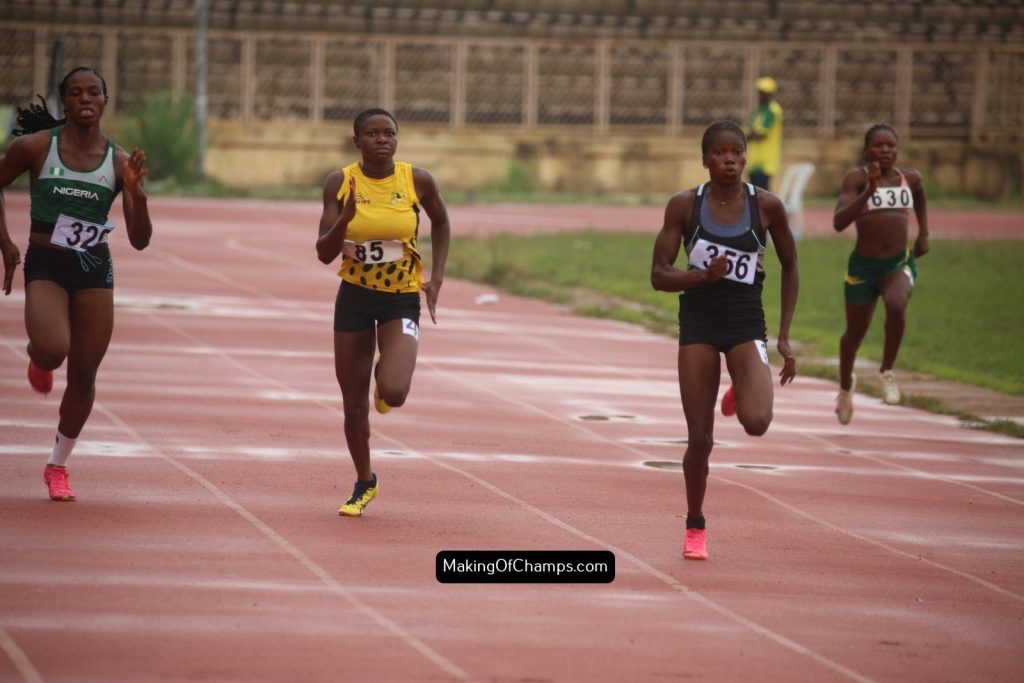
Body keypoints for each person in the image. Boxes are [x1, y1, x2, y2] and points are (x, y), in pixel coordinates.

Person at [0, 67, 152, 501]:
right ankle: (39, 358)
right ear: (62, 102)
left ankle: (58, 465)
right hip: (46, 262)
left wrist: (135, 194)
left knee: (84, 376)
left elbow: (141, 241)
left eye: (94, 92)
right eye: (75, 93)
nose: (85, 99)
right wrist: (6, 242)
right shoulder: (33, 148)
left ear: (106, 100)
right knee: (52, 349)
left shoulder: (120, 162)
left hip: (93, 267)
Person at [650, 121, 798, 560]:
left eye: (737, 152)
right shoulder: (684, 206)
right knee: (700, 439)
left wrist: (785, 338)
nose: (729, 160)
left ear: (746, 158)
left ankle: (742, 381)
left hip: (745, 323)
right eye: (719, 153)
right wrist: (701, 277)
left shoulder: (767, 207)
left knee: (757, 422)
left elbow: (791, 267)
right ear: (705, 160)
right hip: (697, 324)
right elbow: (659, 275)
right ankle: (695, 525)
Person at [316, 108, 451, 517]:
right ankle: (364, 481)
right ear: (357, 141)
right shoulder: (340, 182)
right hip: (354, 296)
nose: (381, 140)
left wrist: (438, 277)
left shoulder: (417, 180)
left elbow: (442, 223)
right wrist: (346, 220)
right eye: (371, 134)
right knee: (353, 404)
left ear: (397, 138)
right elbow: (324, 252)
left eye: (388, 133)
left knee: (394, 391)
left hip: (400, 297)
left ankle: (383, 376)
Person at [832, 124, 929, 424]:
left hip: (896, 264)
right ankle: (846, 387)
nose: (885, 151)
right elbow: (838, 222)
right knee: (853, 336)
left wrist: (923, 232)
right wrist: (869, 192)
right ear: (866, 150)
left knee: (897, 304)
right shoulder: (857, 179)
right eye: (878, 145)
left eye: (891, 146)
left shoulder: (909, 178)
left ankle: (887, 371)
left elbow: (921, 195)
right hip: (863, 267)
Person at [746, 77, 783, 192]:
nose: (761, 96)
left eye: (764, 93)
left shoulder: (773, 110)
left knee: (762, 192)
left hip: (766, 160)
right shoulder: (758, 110)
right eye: (760, 93)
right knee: (753, 192)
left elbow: (760, 134)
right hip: (754, 158)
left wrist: (746, 136)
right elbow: (750, 130)